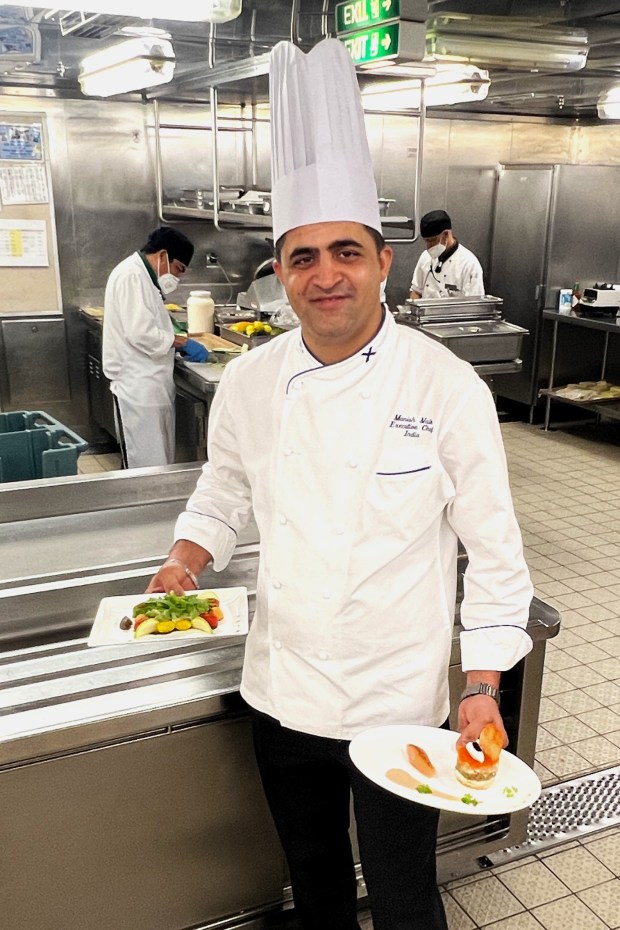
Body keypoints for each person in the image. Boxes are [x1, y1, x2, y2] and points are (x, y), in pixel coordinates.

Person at [146, 39, 533, 930]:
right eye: (303, 256)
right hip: (283, 691)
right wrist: (185, 558)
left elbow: (495, 554)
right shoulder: (248, 380)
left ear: (383, 263)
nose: (326, 275)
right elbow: (224, 490)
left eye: (346, 252)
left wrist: (480, 686)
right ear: (279, 271)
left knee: (402, 894)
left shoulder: (445, 388)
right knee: (313, 883)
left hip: (396, 697)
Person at [103, 226, 207, 469]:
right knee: (144, 465)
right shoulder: (131, 276)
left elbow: (149, 323)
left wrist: (173, 337)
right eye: (178, 269)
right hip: (136, 387)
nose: (178, 278)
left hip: (150, 384)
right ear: (162, 256)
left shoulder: (144, 277)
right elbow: (140, 332)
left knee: (158, 463)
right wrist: (180, 341)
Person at [409, 209, 485, 299]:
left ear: (446, 234)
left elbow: (474, 305)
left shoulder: (469, 264)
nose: (428, 246)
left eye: (432, 240)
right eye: (426, 241)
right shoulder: (425, 257)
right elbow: (416, 292)